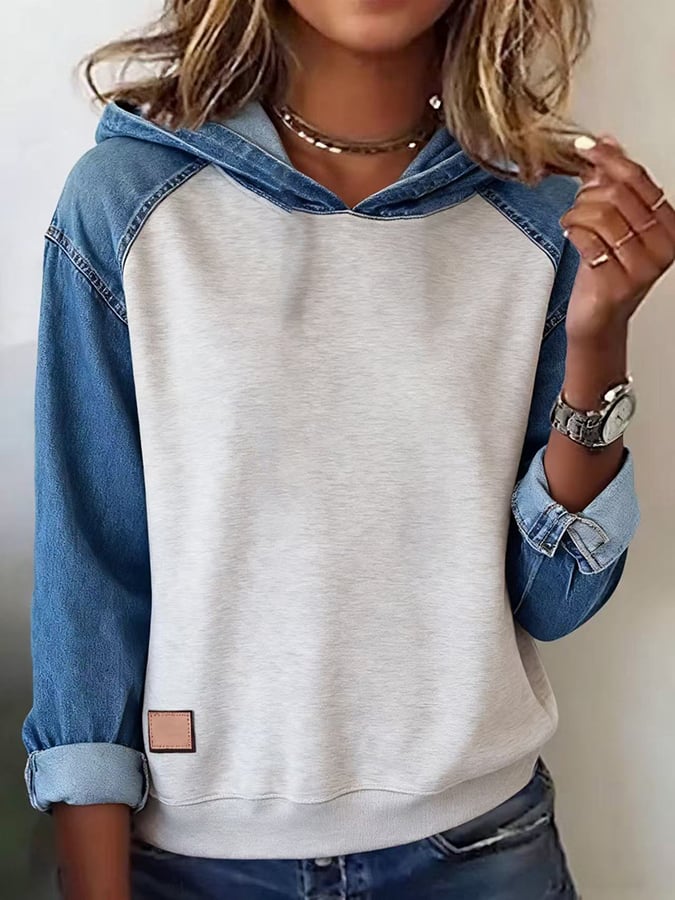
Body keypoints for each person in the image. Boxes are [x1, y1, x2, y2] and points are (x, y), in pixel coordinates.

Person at [22, 1, 675, 898]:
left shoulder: (543, 214)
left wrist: (599, 342)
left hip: (481, 851)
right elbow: (87, 582)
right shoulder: (126, 204)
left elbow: (554, 600)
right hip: (194, 864)